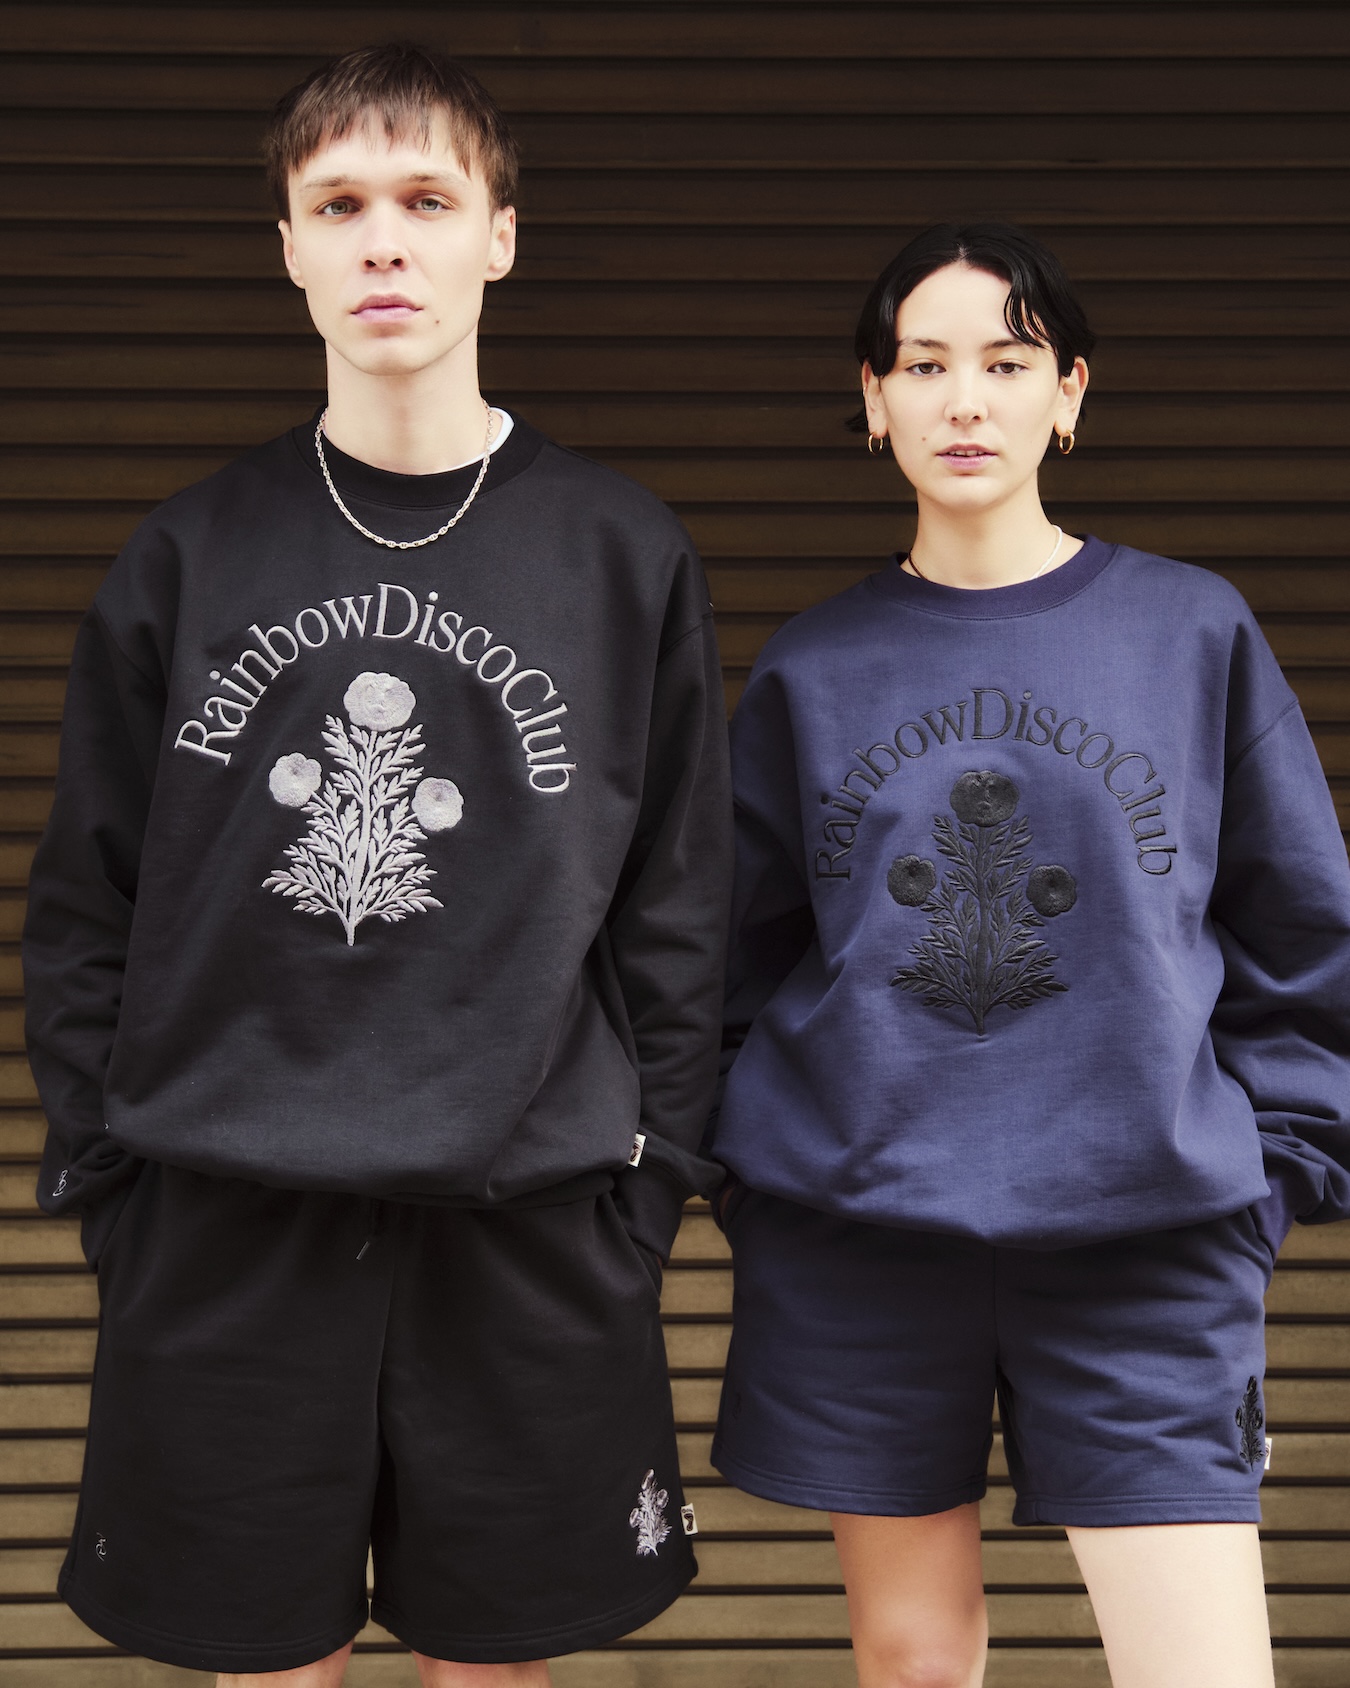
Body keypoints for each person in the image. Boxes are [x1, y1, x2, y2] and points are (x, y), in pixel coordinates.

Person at [24, 42, 731, 1688]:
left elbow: (680, 909)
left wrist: (649, 1190)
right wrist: (112, 1185)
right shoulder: (188, 552)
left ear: (500, 236)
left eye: (427, 198)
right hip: (225, 1220)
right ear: (288, 246)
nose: (384, 242)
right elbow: (85, 901)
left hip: (530, 1225)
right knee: (264, 1662)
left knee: (495, 1663)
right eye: (339, 205)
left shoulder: (620, 552)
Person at [706, 222, 1350, 1688]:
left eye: (1005, 364)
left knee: (1200, 1671)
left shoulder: (1191, 630)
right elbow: (733, 958)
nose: (963, 401)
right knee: (916, 1664)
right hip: (867, 1244)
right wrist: (756, 1177)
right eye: (923, 364)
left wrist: (1270, 1181)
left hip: (1144, 1239)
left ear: (1069, 393)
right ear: (872, 398)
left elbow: (1303, 931)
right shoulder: (813, 663)